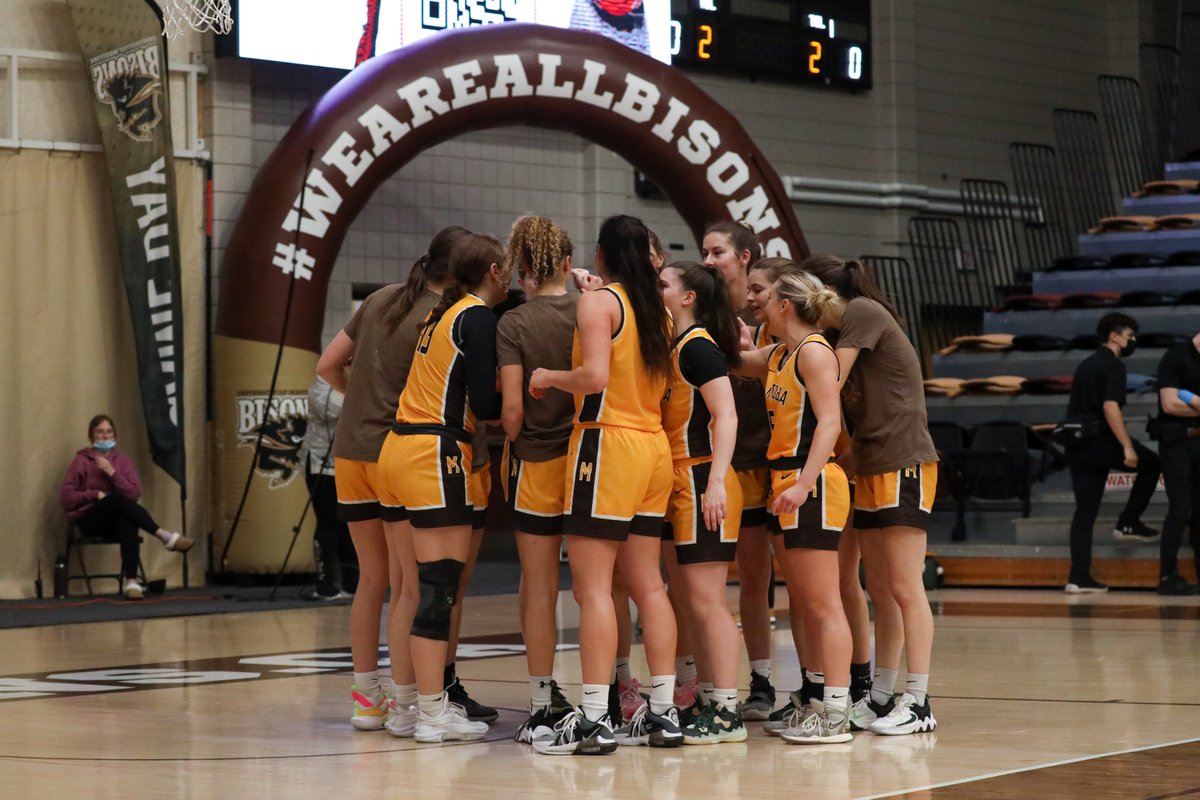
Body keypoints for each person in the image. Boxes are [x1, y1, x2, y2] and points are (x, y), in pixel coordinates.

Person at [528, 214, 678, 755]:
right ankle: (662, 714)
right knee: (650, 586)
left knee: (592, 588)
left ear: (600, 252)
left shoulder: (599, 304)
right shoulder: (655, 309)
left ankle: (593, 718)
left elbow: (594, 377)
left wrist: (547, 378)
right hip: (653, 447)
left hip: (605, 444)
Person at [316, 225, 469, 733]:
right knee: (408, 585)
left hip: (349, 451)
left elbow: (328, 366)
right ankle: (407, 704)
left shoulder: (381, 297)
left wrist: (356, 398)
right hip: (395, 451)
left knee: (369, 580)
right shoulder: (441, 316)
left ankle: (367, 698)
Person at [375, 233, 509, 744]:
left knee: (408, 589)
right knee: (437, 590)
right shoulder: (475, 317)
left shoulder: (440, 314)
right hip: (434, 453)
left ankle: (407, 708)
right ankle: (433, 713)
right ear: (495, 271)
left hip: (396, 450)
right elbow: (487, 404)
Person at [804, 254, 939, 736]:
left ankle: (919, 701)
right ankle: (882, 695)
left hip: (904, 460)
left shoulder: (861, 310)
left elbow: (828, 385)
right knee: (880, 588)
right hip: (871, 464)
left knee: (905, 587)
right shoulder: (841, 333)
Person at [734, 272, 853, 744]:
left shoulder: (815, 352)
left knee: (824, 605)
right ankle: (819, 700)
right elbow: (737, 362)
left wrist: (805, 484)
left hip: (812, 480)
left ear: (786, 305)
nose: (755, 301)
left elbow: (830, 423)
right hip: (784, 480)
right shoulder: (779, 353)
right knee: (804, 602)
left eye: (765, 297)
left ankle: (838, 712)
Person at [496, 214, 579, 742]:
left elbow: (510, 412)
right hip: (594, 457)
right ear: (568, 265)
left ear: (520, 271)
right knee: (603, 586)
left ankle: (543, 698)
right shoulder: (596, 310)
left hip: (536, 462)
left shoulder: (514, 325)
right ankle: (616, 691)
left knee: (540, 585)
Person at [657, 261, 746, 744]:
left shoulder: (699, 347)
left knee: (709, 602)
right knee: (690, 600)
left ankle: (728, 710)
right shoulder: (675, 345)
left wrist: (714, 482)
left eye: (664, 283)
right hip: (680, 479)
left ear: (688, 297)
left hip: (702, 477)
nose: (657, 289)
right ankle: (712, 697)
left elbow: (727, 415)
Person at [1063, 312, 1162, 594]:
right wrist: (1127, 447)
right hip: (1100, 442)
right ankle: (1128, 522)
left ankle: (1077, 576)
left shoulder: (1085, 365)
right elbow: (1110, 408)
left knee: (1085, 513)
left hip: (1077, 444)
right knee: (1152, 463)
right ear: (1115, 336)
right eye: (1129, 336)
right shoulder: (1114, 366)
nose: (1132, 341)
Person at [60, 414, 192, 601]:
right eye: (100, 432)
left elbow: (133, 495)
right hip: (89, 519)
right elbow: (66, 498)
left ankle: (131, 583)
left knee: (127, 518)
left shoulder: (122, 461)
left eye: (108, 432)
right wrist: (95, 494)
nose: (105, 436)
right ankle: (165, 536)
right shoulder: (82, 461)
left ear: (114, 435)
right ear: (92, 436)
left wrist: (112, 473)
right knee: (115, 499)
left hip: (115, 519)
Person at [298, 375, 356, 600]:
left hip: (352, 460)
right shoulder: (325, 379)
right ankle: (326, 585)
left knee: (352, 524)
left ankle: (354, 584)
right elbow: (327, 410)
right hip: (321, 462)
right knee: (328, 522)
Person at [1152, 329, 1200, 596]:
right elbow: (1169, 404)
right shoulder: (1176, 356)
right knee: (1181, 508)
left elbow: (1180, 398)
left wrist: (1192, 402)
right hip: (1177, 441)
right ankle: (1167, 576)